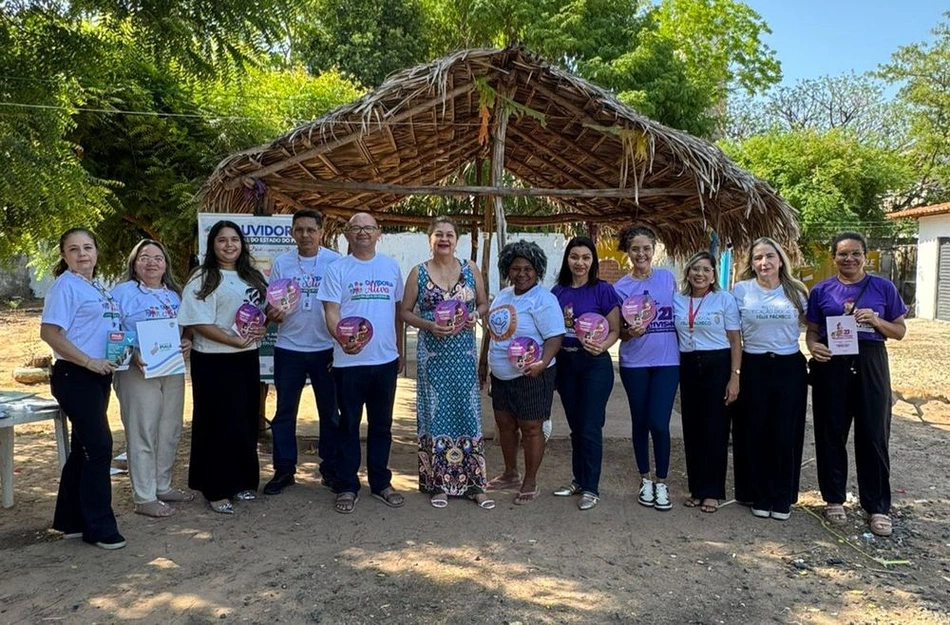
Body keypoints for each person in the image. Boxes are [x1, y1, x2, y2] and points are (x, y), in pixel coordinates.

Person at [805, 232, 907, 537]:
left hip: (870, 360)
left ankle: (876, 506)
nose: (849, 259)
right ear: (833, 257)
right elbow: (812, 330)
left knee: (874, 433)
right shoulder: (821, 290)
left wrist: (877, 321)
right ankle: (833, 498)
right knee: (830, 430)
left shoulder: (883, 288)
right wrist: (813, 346)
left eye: (855, 254)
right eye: (842, 254)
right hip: (832, 362)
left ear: (866, 255)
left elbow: (900, 331)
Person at [39, 228, 125, 549]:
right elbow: (50, 333)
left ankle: (71, 519)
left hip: (98, 375)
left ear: (96, 251)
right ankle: (100, 527)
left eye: (87, 247)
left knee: (84, 448)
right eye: (73, 249)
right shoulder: (65, 287)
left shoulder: (95, 286)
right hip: (75, 375)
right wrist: (88, 361)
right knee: (100, 447)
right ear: (64, 255)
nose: (82, 254)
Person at [399, 217, 491, 509]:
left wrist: (476, 315)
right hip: (433, 357)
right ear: (430, 239)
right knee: (435, 414)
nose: (444, 239)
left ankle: (475, 484)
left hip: (463, 356)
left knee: (467, 413)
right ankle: (437, 483)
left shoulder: (469, 268)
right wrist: (428, 325)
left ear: (457, 239)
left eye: (449, 235)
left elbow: (484, 302)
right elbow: (405, 312)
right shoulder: (419, 273)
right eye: (438, 234)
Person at [178, 220, 267, 514]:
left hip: (246, 357)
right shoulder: (203, 278)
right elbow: (196, 321)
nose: (229, 245)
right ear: (212, 245)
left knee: (243, 420)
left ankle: (242, 481)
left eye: (234, 240)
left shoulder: (251, 277)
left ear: (242, 244)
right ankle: (215, 488)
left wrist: (260, 330)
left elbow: (260, 316)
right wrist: (230, 339)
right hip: (213, 359)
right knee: (215, 423)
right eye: (222, 240)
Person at [318, 212, 406, 514]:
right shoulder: (337, 269)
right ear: (346, 235)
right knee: (348, 425)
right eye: (356, 228)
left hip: (385, 360)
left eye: (368, 228)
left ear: (379, 233)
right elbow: (331, 311)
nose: (362, 233)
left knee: (382, 425)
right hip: (348, 362)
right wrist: (342, 340)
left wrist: (400, 349)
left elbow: (398, 314)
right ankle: (346, 485)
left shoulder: (390, 267)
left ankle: (381, 482)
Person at [110, 239, 193, 518]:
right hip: (138, 371)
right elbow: (112, 330)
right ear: (134, 263)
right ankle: (144, 495)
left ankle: (163, 484)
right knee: (142, 430)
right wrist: (132, 352)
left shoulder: (174, 295)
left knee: (169, 429)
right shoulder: (122, 293)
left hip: (171, 369)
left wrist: (186, 341)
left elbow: (185, 329)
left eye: (158, 258)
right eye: (144, 257)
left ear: (165, 264)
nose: (151, 263)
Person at [263, 209, 342, 495]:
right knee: (285, 412)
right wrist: (273, 313)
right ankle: (284, 471)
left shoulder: (335, 262)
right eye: (300, 230)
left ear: (322, 232)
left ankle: (330, 469)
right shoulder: (282, 263)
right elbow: (274, 305)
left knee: (330, 412)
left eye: (311, 229)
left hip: (326, 348)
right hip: (289, 347)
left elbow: (342, 304)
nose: (305, 235)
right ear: (292, 233)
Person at [481, 240, 565, 505]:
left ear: (537, 270)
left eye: (528, 268)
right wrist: (483, 363)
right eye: (516, 268)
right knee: (505, 425)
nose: (521, 274)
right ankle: (510, 473)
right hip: (502, 375)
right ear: (508, 269)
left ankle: (530, 480)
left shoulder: (544, 299)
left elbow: (555, 338)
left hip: (532, 374)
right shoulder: (504, 295)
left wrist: (542, 362)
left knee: (531, 427)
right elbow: (490, 332)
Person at [731, 237, 809, 521]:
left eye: (769, 256)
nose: (764, 263)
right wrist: (735, 374)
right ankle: (758, 495)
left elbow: (813, 327)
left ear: (780, 259)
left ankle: (782, 497)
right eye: (757, 258)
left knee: (785, 432)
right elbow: (734, 334)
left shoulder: (796, 291)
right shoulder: (740, 291)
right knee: (755, 431)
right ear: (751, 263)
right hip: (753, 365)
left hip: (789, 367)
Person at [550, 236, 621, 510]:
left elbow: (615, 329)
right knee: (576, 427)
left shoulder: (603, 290)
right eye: (575, 257)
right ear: (567, 259)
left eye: (586, 257)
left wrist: (600, 345)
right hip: (566, 365)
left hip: (594, 365)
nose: (580, 262)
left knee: (590, 426)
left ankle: (591, 488)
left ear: (593, 261)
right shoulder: (557, 292)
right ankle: (578, 480)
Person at [613, 226, 679, 511]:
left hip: (667, 362)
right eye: (635, 249)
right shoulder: (620, 288)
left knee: (659, 422)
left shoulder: (668, 279)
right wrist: (631, 332)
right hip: (634, 364)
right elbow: (619, 333)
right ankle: (645, 480)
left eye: (646, 248)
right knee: (640, 421)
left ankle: (662, 481)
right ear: (628, 252)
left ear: (654, 249)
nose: (641, 254)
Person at [672, 251, 741, 514]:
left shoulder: (724, 300)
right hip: (689, 365)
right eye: (695, 269)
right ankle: (696, 488)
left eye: (706, 270)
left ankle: (712, 491)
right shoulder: (678, 300)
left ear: (713, 275)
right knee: (692, 428)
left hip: (718, 364)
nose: (700, 274)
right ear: (688, 273)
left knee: (716, 429)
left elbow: (735, 340)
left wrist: (734, 377)